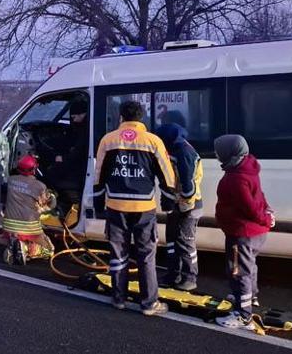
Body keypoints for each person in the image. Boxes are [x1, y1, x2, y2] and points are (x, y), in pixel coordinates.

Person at [94, 100, 175, 316]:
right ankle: (149, 304)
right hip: (144, 207)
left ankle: (118, 298)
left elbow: (99, 174)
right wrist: (168, 201)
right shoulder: (153, 141)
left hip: (116, 206)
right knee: (146, 255)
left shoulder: (108, 140)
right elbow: (167, 175)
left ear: (121, 117)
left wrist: (97, 201)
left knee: (118, 253)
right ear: (142, 118)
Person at [213, 135, 275, 331]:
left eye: (218, 152)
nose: (216, 155)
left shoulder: (235, 179)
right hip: (254, 233)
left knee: (239, 271)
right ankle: (250, 296)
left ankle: (243, 315)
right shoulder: (248, 167)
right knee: (249, 266)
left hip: (242, 233)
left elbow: (249, 208)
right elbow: (260, 196)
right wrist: (268, 212)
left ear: (229, 154)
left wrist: (265, 217)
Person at [155, 123, 204, 291]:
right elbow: (169, 180)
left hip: (189, 206)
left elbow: (187, 185)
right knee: (171, 241)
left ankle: (190, 278)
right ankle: (172, 274)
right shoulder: (176, 149)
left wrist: (183, 202)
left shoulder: (183, 152)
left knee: (185, 242)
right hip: (178, 204)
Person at [2, 155, 56, 264]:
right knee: (49, 250)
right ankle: (26, 249)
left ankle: (13, 248)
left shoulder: (11, 180)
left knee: (18, 235)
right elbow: (49, 206)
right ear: (34, 169)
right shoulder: (40, 186)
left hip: (8, 226)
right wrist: (52, 196)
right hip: (29, 228)